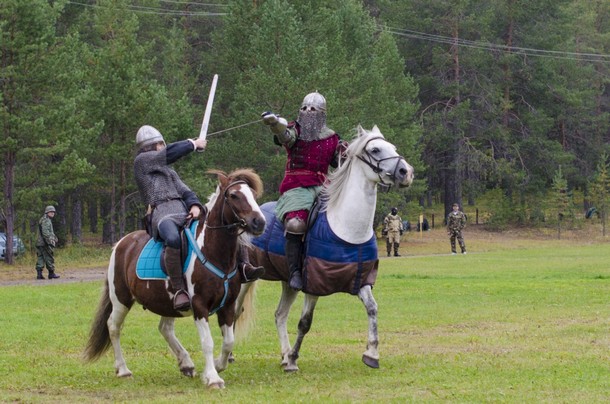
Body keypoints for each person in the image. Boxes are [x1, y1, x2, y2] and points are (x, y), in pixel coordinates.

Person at [133, 125, 264, 311]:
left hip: (183, 210)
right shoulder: (142, 162)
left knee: (226, 223)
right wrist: (192, 144)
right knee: (172, 238)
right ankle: (179, 290)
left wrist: (194, 205)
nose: (164, 146)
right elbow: (169, 153)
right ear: (150, 147)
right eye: (161, 144)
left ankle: (244, 265)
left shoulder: (169, 172)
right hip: (161, 213)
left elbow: (185, 191)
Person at [262, 92, 347, 291]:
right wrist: (276, 123)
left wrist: (348, 151)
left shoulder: (333, 137)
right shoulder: (294, 130)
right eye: (305, 108)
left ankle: (335, 262)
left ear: (322, 113)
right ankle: (294, 272)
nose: (308, 112)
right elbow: (285, 137)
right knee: (295, 223)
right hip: (296, 185)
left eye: (313, 109)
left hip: (324, 186)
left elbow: (338, 162)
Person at [36, 205, 60, 280]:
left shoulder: (43, 219)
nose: (53, 213)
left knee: (40, 258)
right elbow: (46, 233)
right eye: (51, 211)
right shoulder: (46, 220)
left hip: (40, 243)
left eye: (53, 212)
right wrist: (50, 242)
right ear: (47, 212)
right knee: (49, 257)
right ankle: (51, 273)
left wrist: (54, 237)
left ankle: (39, 275)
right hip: (45, 243)